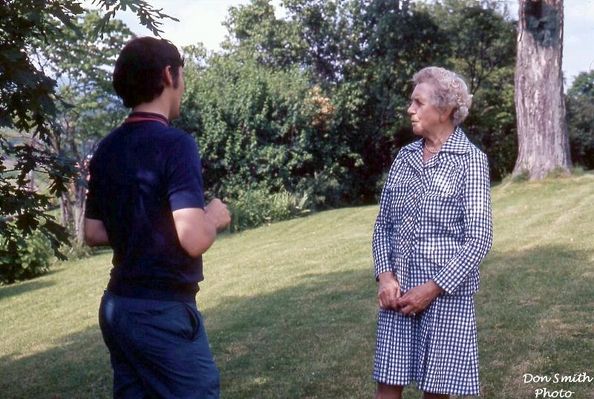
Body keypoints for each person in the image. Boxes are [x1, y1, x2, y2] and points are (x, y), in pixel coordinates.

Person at [84, 37, 231, 398]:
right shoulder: (175, 144)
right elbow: (194, 239)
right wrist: (213, 215)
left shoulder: (107, 147)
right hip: (161, 312)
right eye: (181, 74)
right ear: (169, 75)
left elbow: (93, 231)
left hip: (119, 308)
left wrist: (146, 223)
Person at [372, 66, 493, 399]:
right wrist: (385, 277)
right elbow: (383, 224)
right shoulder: (405, 158)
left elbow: (479, 238)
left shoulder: (471, 161)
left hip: (445, 299)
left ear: (446, 110)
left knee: (437, 392)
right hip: (397, 296)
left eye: (418, 102)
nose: (410, 109)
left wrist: (433, 288)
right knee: (387, 387)